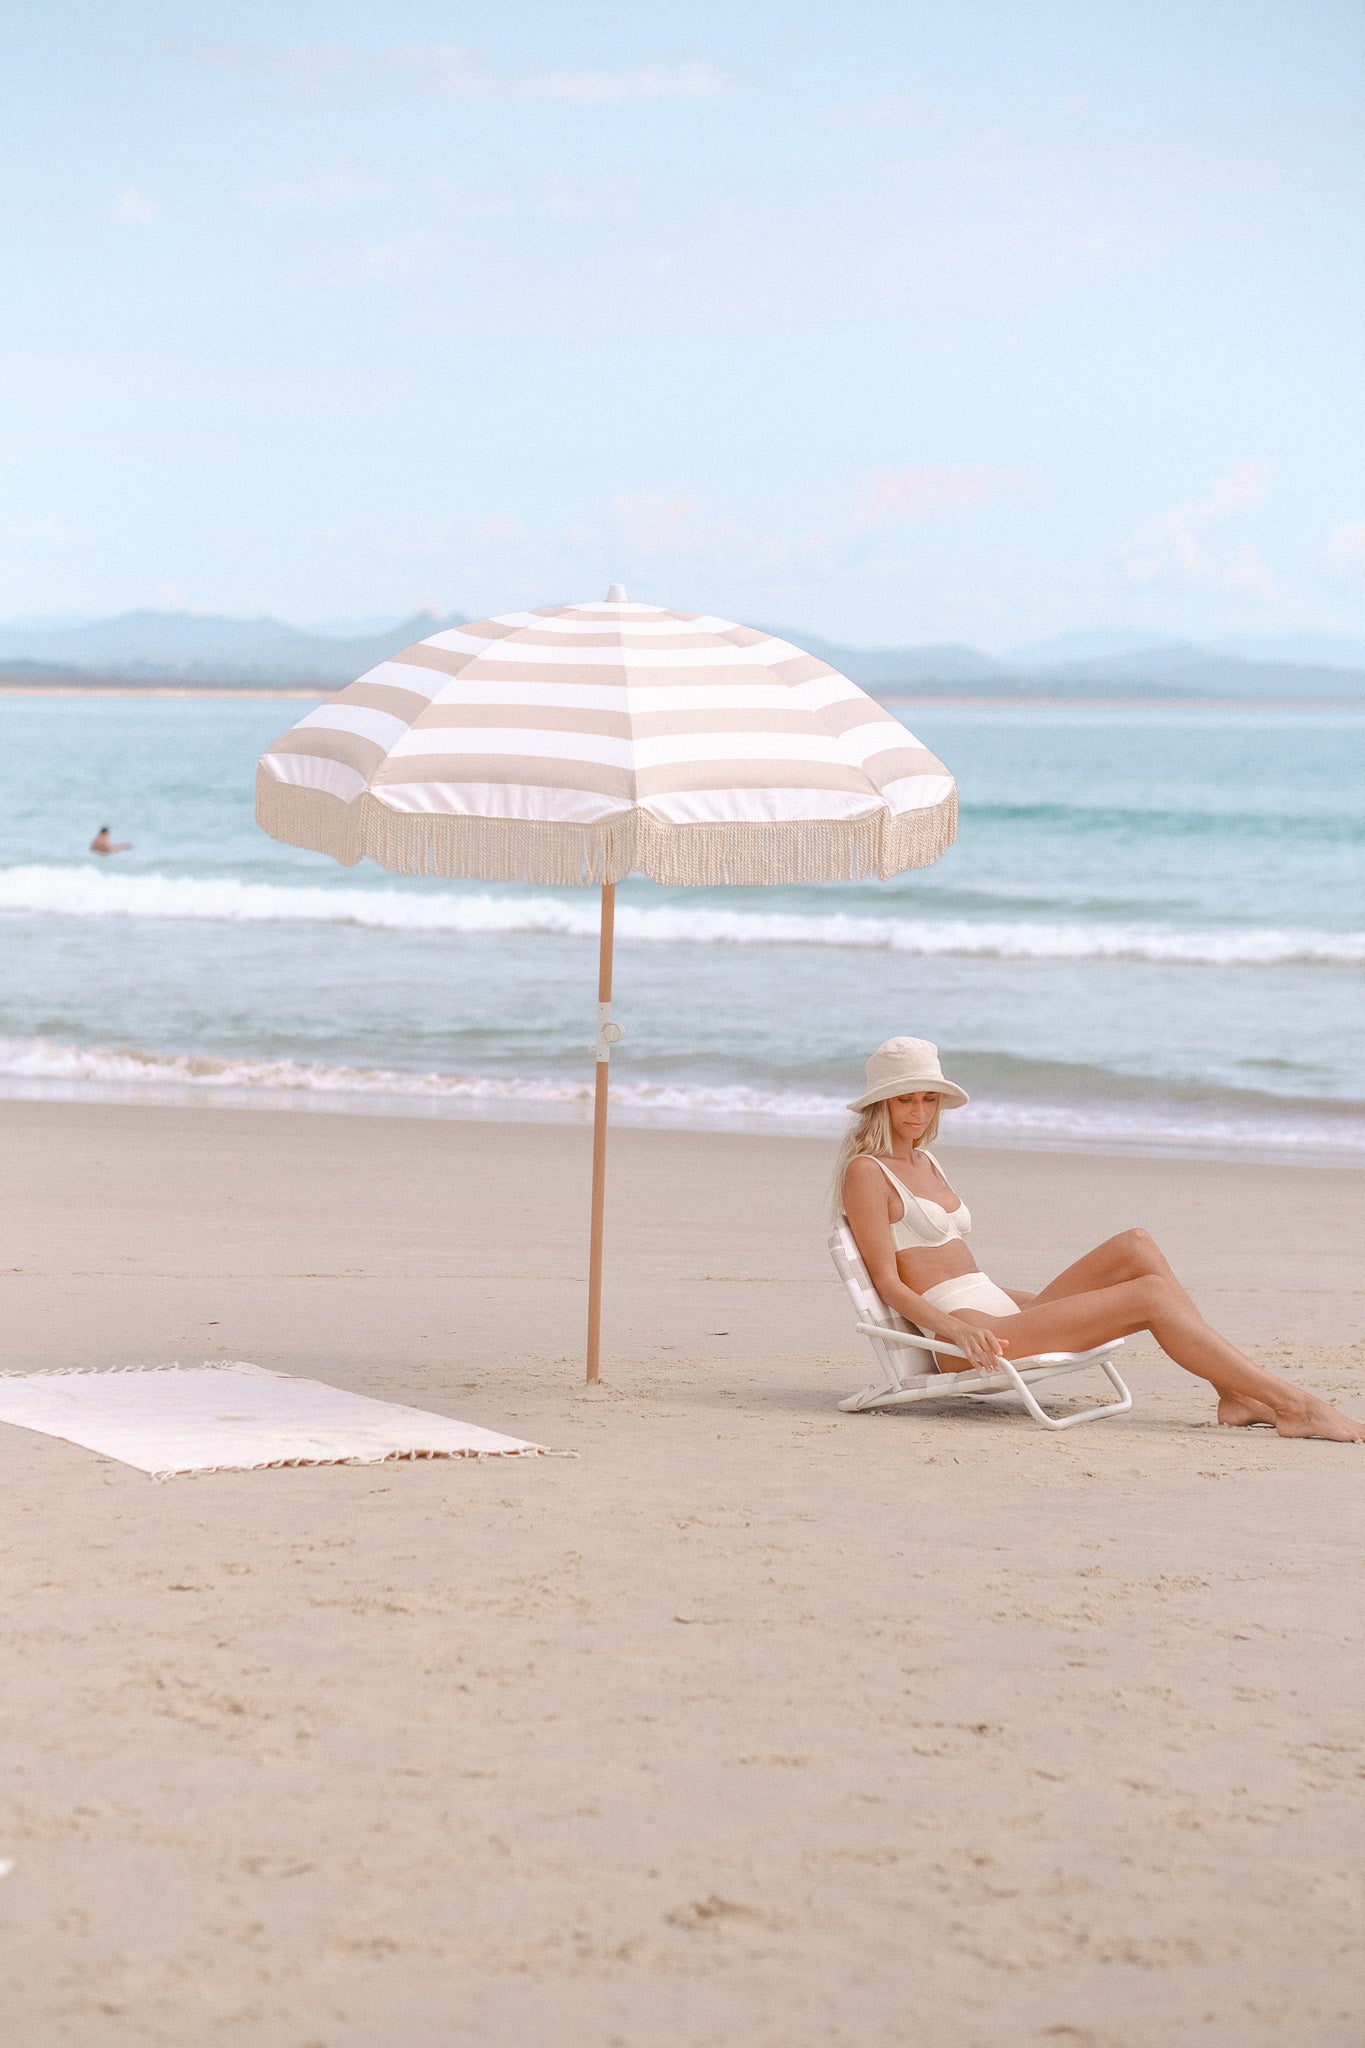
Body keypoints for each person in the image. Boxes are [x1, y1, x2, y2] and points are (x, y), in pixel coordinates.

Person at [839, 1037, 1365, 1443]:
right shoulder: (867, 1172)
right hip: (969, 1340)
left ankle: (1233, 1392)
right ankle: (1296, 1407)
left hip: (998, 1308)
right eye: (905, 1100)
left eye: (929, 1099)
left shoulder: (925, 1160)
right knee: (1150, 1296)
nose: (919, 1112)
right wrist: (955, 1332)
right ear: (880, 1104)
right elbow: (887, 1282)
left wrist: (1020, 1302)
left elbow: (958, 1266)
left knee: (1136, 1244)